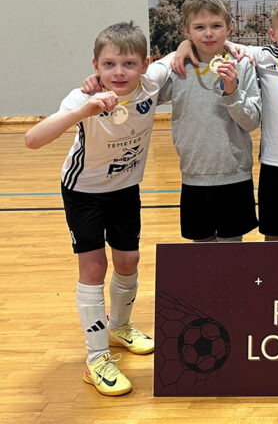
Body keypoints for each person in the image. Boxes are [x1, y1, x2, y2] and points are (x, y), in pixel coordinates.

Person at [25, 22, 172, 396]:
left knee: (129, 260)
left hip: (124, 188)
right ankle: (96, 359)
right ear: (95, 66)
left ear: (145, 65)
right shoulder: (83, 97)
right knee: (94, 268)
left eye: (128, 64)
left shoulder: (152, 83)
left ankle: (118, 326)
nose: (119, 72)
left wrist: (188, 46)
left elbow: (183, 49)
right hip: (84, 192)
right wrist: (82, 111)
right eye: (109, 65)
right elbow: (32, 139)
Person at [160, 0, 261, 243]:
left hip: (235, 175)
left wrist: (232, 90)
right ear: (187, 30)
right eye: (199, 27)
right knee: (202, 254)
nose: (208, 33)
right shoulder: (177, 66)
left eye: (216, 26)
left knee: (232, 251)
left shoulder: (242, 64)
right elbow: (142, 88)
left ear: (229, 27)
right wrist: (99, 82)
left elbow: (251, 122)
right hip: (195, 175)